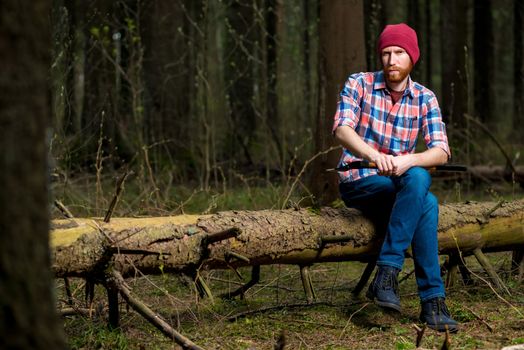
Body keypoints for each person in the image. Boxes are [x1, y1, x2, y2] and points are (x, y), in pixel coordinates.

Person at [332, 23, 458, 332]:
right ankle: (431, 299)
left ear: (412, 57)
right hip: (360, 181)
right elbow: (341, 128)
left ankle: (388, 277)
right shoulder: (359, 84)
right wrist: (375, 156)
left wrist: (407, 161)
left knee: (418, 184)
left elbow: (441, 151)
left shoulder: (425, 98)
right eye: (386, 53)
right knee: (425, 201)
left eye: (399, 53)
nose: (391, 60)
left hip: (402, 185)